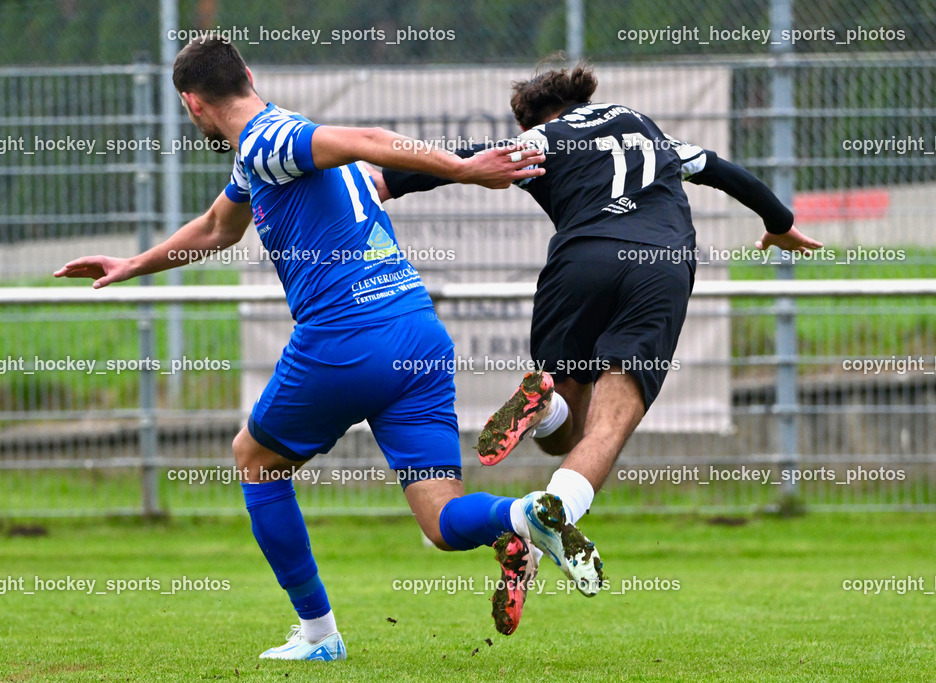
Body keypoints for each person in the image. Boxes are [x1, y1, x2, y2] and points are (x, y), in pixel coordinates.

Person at [54, 38, 598, 659]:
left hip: (348, 339)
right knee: (441, 522)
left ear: (192, 104)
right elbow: (215, 228)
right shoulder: (261, 157)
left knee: (255, 459)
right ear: (248, 74)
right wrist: (133, 264)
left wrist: (466, 169)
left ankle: (319, 634)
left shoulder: (267, 140)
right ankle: (526, 516)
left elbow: (370, 138)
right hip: (417, 335)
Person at [374, 57, 824, 625]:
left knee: (562, 429)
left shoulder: (541, 139)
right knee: (607, 426)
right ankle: (553, 504)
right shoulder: (650, 132)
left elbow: (463, 162)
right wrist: (779, 223)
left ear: (529, 121)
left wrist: (385, 183)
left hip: (581, 261)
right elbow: (724, 171)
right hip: (658, 264)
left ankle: (545, 409)